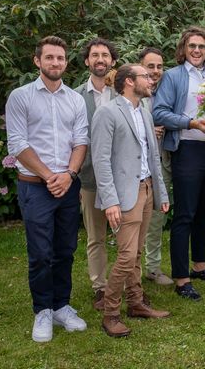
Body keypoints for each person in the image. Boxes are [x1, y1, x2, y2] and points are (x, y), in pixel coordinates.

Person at [6, 36, 89, 342]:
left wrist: (68, 174)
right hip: (35, 187)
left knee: (65, 249)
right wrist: (48, 176)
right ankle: (42, 310)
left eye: (61, 58)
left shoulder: (75, 99)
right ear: (37, 61)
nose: (56, 63)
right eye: (50, 57)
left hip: (68, 184)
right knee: (41, 252)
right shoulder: (21, 96)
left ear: (66, 62)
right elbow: (17, 143)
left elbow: (81, 140)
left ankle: (61, 305)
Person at [92, 64, 171, 337]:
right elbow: (100, 160)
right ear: (128, 82)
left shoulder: (145, 112)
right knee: (126, 256)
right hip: (124, 194)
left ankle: (136, 303)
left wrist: (160, 192)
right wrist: (110, 201)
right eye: (145, 77)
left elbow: (152, 156)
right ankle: (110, 313)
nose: (151, 80)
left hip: (147, 190)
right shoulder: (107, 112)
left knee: (136, 252)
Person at [152, 26, 205, 301]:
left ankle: (199, 266)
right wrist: (190, 122)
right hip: (187, 150)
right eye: (192, 46)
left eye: (202, 47)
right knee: (185, 214)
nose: (197, 51)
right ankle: (182, 278)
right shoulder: (173, 77)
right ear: (184, 49)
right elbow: (158, 112)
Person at [74, 37, 118, 310]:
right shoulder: (76, 96)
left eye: (105, 55)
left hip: (121, 177)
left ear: (113, 60)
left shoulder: (122, 93)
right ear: (87, 61)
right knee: (96, 237)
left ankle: (130, 284)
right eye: (95, 55)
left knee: (128, 236)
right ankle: (100, 288)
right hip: (89, 177)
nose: (100, 59)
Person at [138, 47, 174, 286]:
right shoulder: (133, 92)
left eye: (160, 66)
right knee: (135, 220)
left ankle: (152, 267)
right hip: (135, 168)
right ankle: (132, 269)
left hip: (161, 163)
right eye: (150, 66)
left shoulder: (166, 92)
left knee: (156, 218)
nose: (155, 71)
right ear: (141, 66)